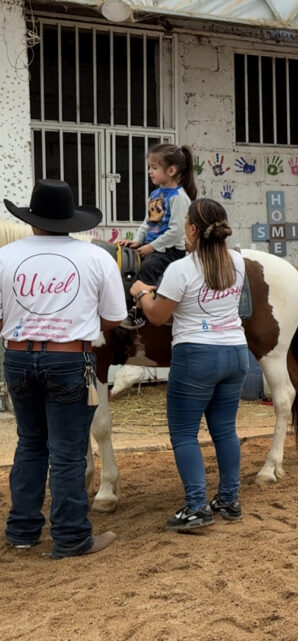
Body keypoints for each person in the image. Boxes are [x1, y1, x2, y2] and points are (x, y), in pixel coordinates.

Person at [1, 179, 126, 558]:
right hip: (71, 357)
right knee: (69, 451)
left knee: (30, 443)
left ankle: (22, 531)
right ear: (71, 219)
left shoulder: (6, 256)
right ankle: (71, 536)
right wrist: (79, 327)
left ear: (32, 218)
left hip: (18, 356)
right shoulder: (96, 257)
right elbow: (115, 317)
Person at [130, 198, 248, 531]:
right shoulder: (237, 261)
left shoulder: (180, 269)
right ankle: (228, 498)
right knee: (225, 430)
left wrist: (140, 291)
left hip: (197, 354)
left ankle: (196, 506)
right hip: (235, 351)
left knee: (183, 434)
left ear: (193, 229)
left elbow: (156, 316)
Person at [119, 143, 197, 328]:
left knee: (149, 266)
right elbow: (147, 222)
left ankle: (140, 310)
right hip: (152, 246)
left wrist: (152, 247)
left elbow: (176, 231)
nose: (149, 172)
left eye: (154, 168)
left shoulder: (178, 197)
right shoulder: (155, 193)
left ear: (171, 170)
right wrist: (137, 242)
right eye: (149, 168)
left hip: (169, 251)